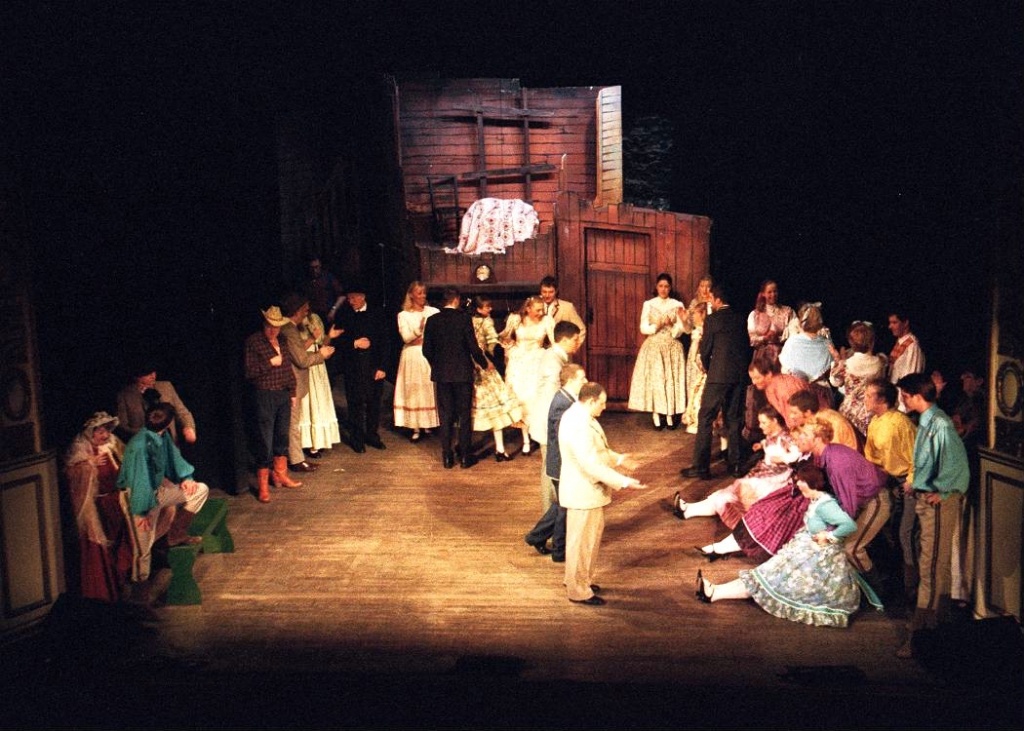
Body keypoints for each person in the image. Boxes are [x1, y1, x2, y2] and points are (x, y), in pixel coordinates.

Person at [694, 463, 883, 628]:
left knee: (772, 578)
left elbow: (848, 525)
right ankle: (715, 591)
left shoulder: (826, 505)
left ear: (811, 483)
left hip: (817, 556)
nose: (797, 484)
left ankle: (714, 592)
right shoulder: (816, 500)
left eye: (801, 481)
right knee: (768, 575)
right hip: (804, 548)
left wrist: (829, 536)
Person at [895, 372, 970, 659]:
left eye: (905, 395)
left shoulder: (940, 424)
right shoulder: (928, 421)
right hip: (926, 497)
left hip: (936, 502)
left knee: (932, 566)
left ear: (916, 396)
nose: (903, 400)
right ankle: (934, 627)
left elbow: (956, 464)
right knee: (933, 564)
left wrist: (945, 491)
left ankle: (921, 633)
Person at [559, 382, 646, 606]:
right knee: (582, 543)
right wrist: (623, 481)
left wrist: (619, 459)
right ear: (591, 401)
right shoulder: (579, 424)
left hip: (585, 491)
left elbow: (597, 452)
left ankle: (579, 580)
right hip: (583, 492)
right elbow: (591, 464)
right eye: (602, 403)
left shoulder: (580, 415)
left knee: (585, 541)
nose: (605, 407)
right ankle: (578, 590)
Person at [117, 402, 210, 586]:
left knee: (200, 490)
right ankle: (140, 585)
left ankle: (176, 533)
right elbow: (138, 482)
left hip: (158, 492)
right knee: (143, 547)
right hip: (138, 498)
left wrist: (186, 478)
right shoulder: (139, 445)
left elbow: (174, 458)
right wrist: (142, 511)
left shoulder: (163, 436)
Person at [793, 419, 890, 590]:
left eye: (805, 435)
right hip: (860, 503)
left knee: (851, 549)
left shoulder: (837, 462)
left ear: (817, 438)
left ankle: (877, 593)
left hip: (875, 502)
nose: (799, 438)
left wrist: (828, 532)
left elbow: (848, 508)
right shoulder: (823, 456)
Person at [673, 405, 801, 523]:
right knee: (724, 494)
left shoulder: (785, 437)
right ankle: (688, 510)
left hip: (773, 480)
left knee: (730, 496)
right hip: (763, 474)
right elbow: (770, 444)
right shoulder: (772, 435)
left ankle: (689, 510)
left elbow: (796, 454)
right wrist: (761, 445)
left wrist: (781, 459)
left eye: (764, 422)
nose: (760, 426)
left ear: (774, 421)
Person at [682, 282, 751, 480]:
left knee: (705, 417)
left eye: (712, 298)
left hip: (718, 375)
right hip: (738, 376)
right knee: (734, 418)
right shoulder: (740, 319)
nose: (710, 301)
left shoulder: (713, 320)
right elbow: (746, 348)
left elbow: (706, 350)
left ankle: (701, 467)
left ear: (718, 299)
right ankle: (735, 465)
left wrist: (708, 367)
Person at [64, 411, 132, 603]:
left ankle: (124, 580)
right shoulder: (82, 451)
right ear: (90, 433)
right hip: (101, 507)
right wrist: (90, 465)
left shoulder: (112, 445)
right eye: (100, 432)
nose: (105, 435)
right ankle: (109, 588)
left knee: (124, 543)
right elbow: (71, 475)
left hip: (119, 502)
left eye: (107, 431)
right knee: (107, 547)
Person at [524, 363, 587, 562]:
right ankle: (559, 551)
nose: (585, 381)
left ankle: (536, 536)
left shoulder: (567, 399)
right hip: (561, 464)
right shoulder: (562, 403)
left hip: (562, 463)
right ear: (571, 380)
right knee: (565, 507)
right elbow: (564, 436)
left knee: (561, 504)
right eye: (582, 378)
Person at [422, 287, 491, 469]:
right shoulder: (463, 319)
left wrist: (437, 365)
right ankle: (465, 457)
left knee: (445, 416)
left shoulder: (432, 320)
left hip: (442, 375)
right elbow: (473, 347)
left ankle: (447, 457)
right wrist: (485, 364)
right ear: (456, 300)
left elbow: (426, 350)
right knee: (464, 415)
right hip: (462, 374)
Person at [862, 378, 918, 600]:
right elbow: (872, 456)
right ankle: (897, 581)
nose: (865, 399)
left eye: (869, 395)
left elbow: (917, 456)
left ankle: (912, 585)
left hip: (910, 481)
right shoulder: (875, 422)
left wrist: (911, 481)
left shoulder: (900, 423)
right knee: (892, 531)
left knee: (906, 532)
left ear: (882, 399)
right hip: (891, 480)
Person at [245, 305, 303, 502]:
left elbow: (287, 368)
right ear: (264, 324)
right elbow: (249, 372)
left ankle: (280, 475)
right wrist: (270, 362)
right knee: (265, 439)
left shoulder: (283, 340)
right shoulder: (254, 342)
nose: (273, 330)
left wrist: (292, 392)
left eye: (276, 327)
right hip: (265, 395)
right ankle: (263, 485)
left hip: (283, 394)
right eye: (270, 326)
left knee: (281, 436)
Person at [280, 293, 338, 471]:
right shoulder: (289, 330)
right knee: (292, 423)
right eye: (305, 310)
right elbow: (301, 360)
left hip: (293, 382)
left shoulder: (291, 328)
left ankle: (296, 458)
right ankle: (296, 460)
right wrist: (321, 355)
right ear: (297, 311)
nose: (307, 313)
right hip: (292, 382)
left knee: (293, 422)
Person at [531, 321, 582, 511]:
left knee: (554, 467)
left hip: (553, 422)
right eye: (575, 339)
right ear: (564, 339)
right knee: (550, 469)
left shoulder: (559, 357)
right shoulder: (553, 362)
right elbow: (555, 398)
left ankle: (556, 512)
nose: (578, 343)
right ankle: (550, 516)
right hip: (550, 424)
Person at [334, 284, 390, 453]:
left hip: (373, 365)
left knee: (374, 402)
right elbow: (336, 340)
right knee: (355, 403)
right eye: (349, 298)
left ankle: (372, 435)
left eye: (353, 298)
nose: (351, 301)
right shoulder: (344, 314)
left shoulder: (377, 314)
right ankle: (357, 438)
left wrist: (383, 367)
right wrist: (354, 343)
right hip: (353, 367)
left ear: (363, 296)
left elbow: (385, 341)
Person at [627, 272, 688, 430]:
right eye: (661, 286)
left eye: (666, 286)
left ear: (670, 288)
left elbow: (682, 329)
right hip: (654, 345)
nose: (663, 289)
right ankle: (657, 415)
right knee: (657, 380)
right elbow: (643, 328)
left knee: (670, 380)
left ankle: (669, 415)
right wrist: (658, 325)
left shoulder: (677, 304)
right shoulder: (649, 304)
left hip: (671, 345)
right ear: (656, 287)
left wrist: (671, 325)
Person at [469, 295, 523, 461]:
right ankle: (499, 448)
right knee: (496, 409)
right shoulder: (487, 322)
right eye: (487, 307)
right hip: (484, 365)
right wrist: (497, 347)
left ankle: (466, 447)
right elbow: (493, 342)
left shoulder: (469, 321)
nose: (490, 309)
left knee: (470, 409)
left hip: (470, 365)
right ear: (479, 309)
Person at [499, 295, 555, 455]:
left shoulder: (547, 321)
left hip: (537, 361)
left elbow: (554, 342)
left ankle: (537, 434)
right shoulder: (516, 319)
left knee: (534, 398)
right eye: (537, 310)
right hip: (518, 363)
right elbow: (503, 336)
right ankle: (525, 440)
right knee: (520, 399)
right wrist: (509, 346)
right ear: (528, 309)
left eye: (542, 310)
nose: (541, 313)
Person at [393, 281, 440, 442]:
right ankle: (415, 427)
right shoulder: (404, 315)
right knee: (414, 389)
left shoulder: (433, 311)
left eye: (424, 292)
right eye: (419, 293)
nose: (423, 296)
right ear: (411, 295)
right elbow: (406, 338)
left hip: (428, 355)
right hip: (412, 357)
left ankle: (428, 423)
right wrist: (419, 330)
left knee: (428, 387)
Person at [294, 308, 341, 458]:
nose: (306, 311)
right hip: (306, 364)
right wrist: (312, 338)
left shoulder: (314, 318)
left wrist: (329, 337)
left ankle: (318, 441)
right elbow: (297, 351)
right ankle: (307, 443)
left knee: (319, 402)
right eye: (303, 308)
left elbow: (320, 343)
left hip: (318, 364)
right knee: (308, 404)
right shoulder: (292, 326)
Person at [116, 363, 196, 445]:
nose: (153, 376)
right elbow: (122, 426)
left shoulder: (166, 387)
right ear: (137, 377)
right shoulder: (125, 395)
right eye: (148, 374)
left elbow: (182, 412)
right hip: (143, 447)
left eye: (154, 372)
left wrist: (188, 428)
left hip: (169, 445)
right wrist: (146, 435)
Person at [830, 321, 887, 435]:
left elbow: (835, 382)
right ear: (871, 342)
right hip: (870, 412)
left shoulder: (846, 365)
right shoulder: (880, 363)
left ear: (851, 343)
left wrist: (837, 362)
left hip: (849, 411)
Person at [778, 302, 836, 408]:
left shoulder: (792, 342)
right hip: (821, 395)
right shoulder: (826, 343)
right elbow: (834, 378)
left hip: (799, 393)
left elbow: (785, 371)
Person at [747, 355, 811, 431]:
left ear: (769, 374)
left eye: (757, 378)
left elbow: (797, 418)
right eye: (752, 378)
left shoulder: (784, 390)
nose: (754, 382)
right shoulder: (770, 387)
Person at [785, 389, 859, 451]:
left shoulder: (829, 424)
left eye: (794, 413)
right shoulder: (811, 420)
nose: (791, 416)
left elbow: (835, 452)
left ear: (807, 413)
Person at [682, 294, 709, 434]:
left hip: (699, 363)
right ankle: (694, 419)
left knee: (699, 392)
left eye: (695, 314)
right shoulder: (697, 329)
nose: (693, 316)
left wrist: (695, 362)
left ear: (702, 314)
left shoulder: (702, 330)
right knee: (694, 391)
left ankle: (698, 420)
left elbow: (697, 351)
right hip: (695, 362)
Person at [538, 275, 586, 343]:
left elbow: (581, 330)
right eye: (544, 292)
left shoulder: (567, 307)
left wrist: (572, 347)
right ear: (540, 291)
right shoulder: (534, 306)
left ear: (556, 291)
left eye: (551, 292)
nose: (547, 295)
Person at [886, 310, 925, 387]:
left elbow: (912, 377)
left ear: (906, 323)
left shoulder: (913, 346)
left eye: (894, 323)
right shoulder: (900, 341)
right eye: (890, 323)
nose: (890, 327)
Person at [304, 256, 346, 325]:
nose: (314, 270)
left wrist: (333, 310)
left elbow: (342, 296)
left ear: (320, 265)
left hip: (328, 314)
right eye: (312, 268)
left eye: (316, 267)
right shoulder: (306, 280)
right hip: (312, 316)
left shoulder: (328, 277)